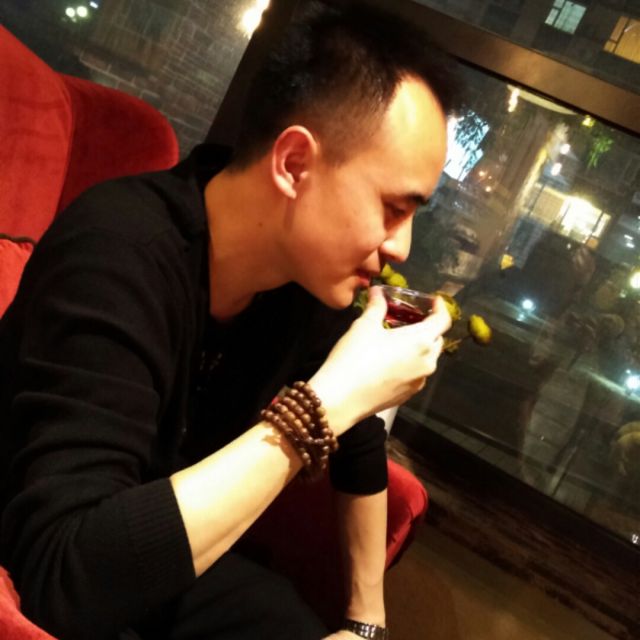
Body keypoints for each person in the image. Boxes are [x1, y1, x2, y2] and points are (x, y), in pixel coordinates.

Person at [0, 2, 457, 639]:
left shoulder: (302, 285)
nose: (401, 247)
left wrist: (366, 623)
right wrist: (326, 404)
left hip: (165, 556)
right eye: (392, 207)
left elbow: (358, 447)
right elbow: (64, 577)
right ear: (293, 164)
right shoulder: (117, 252)